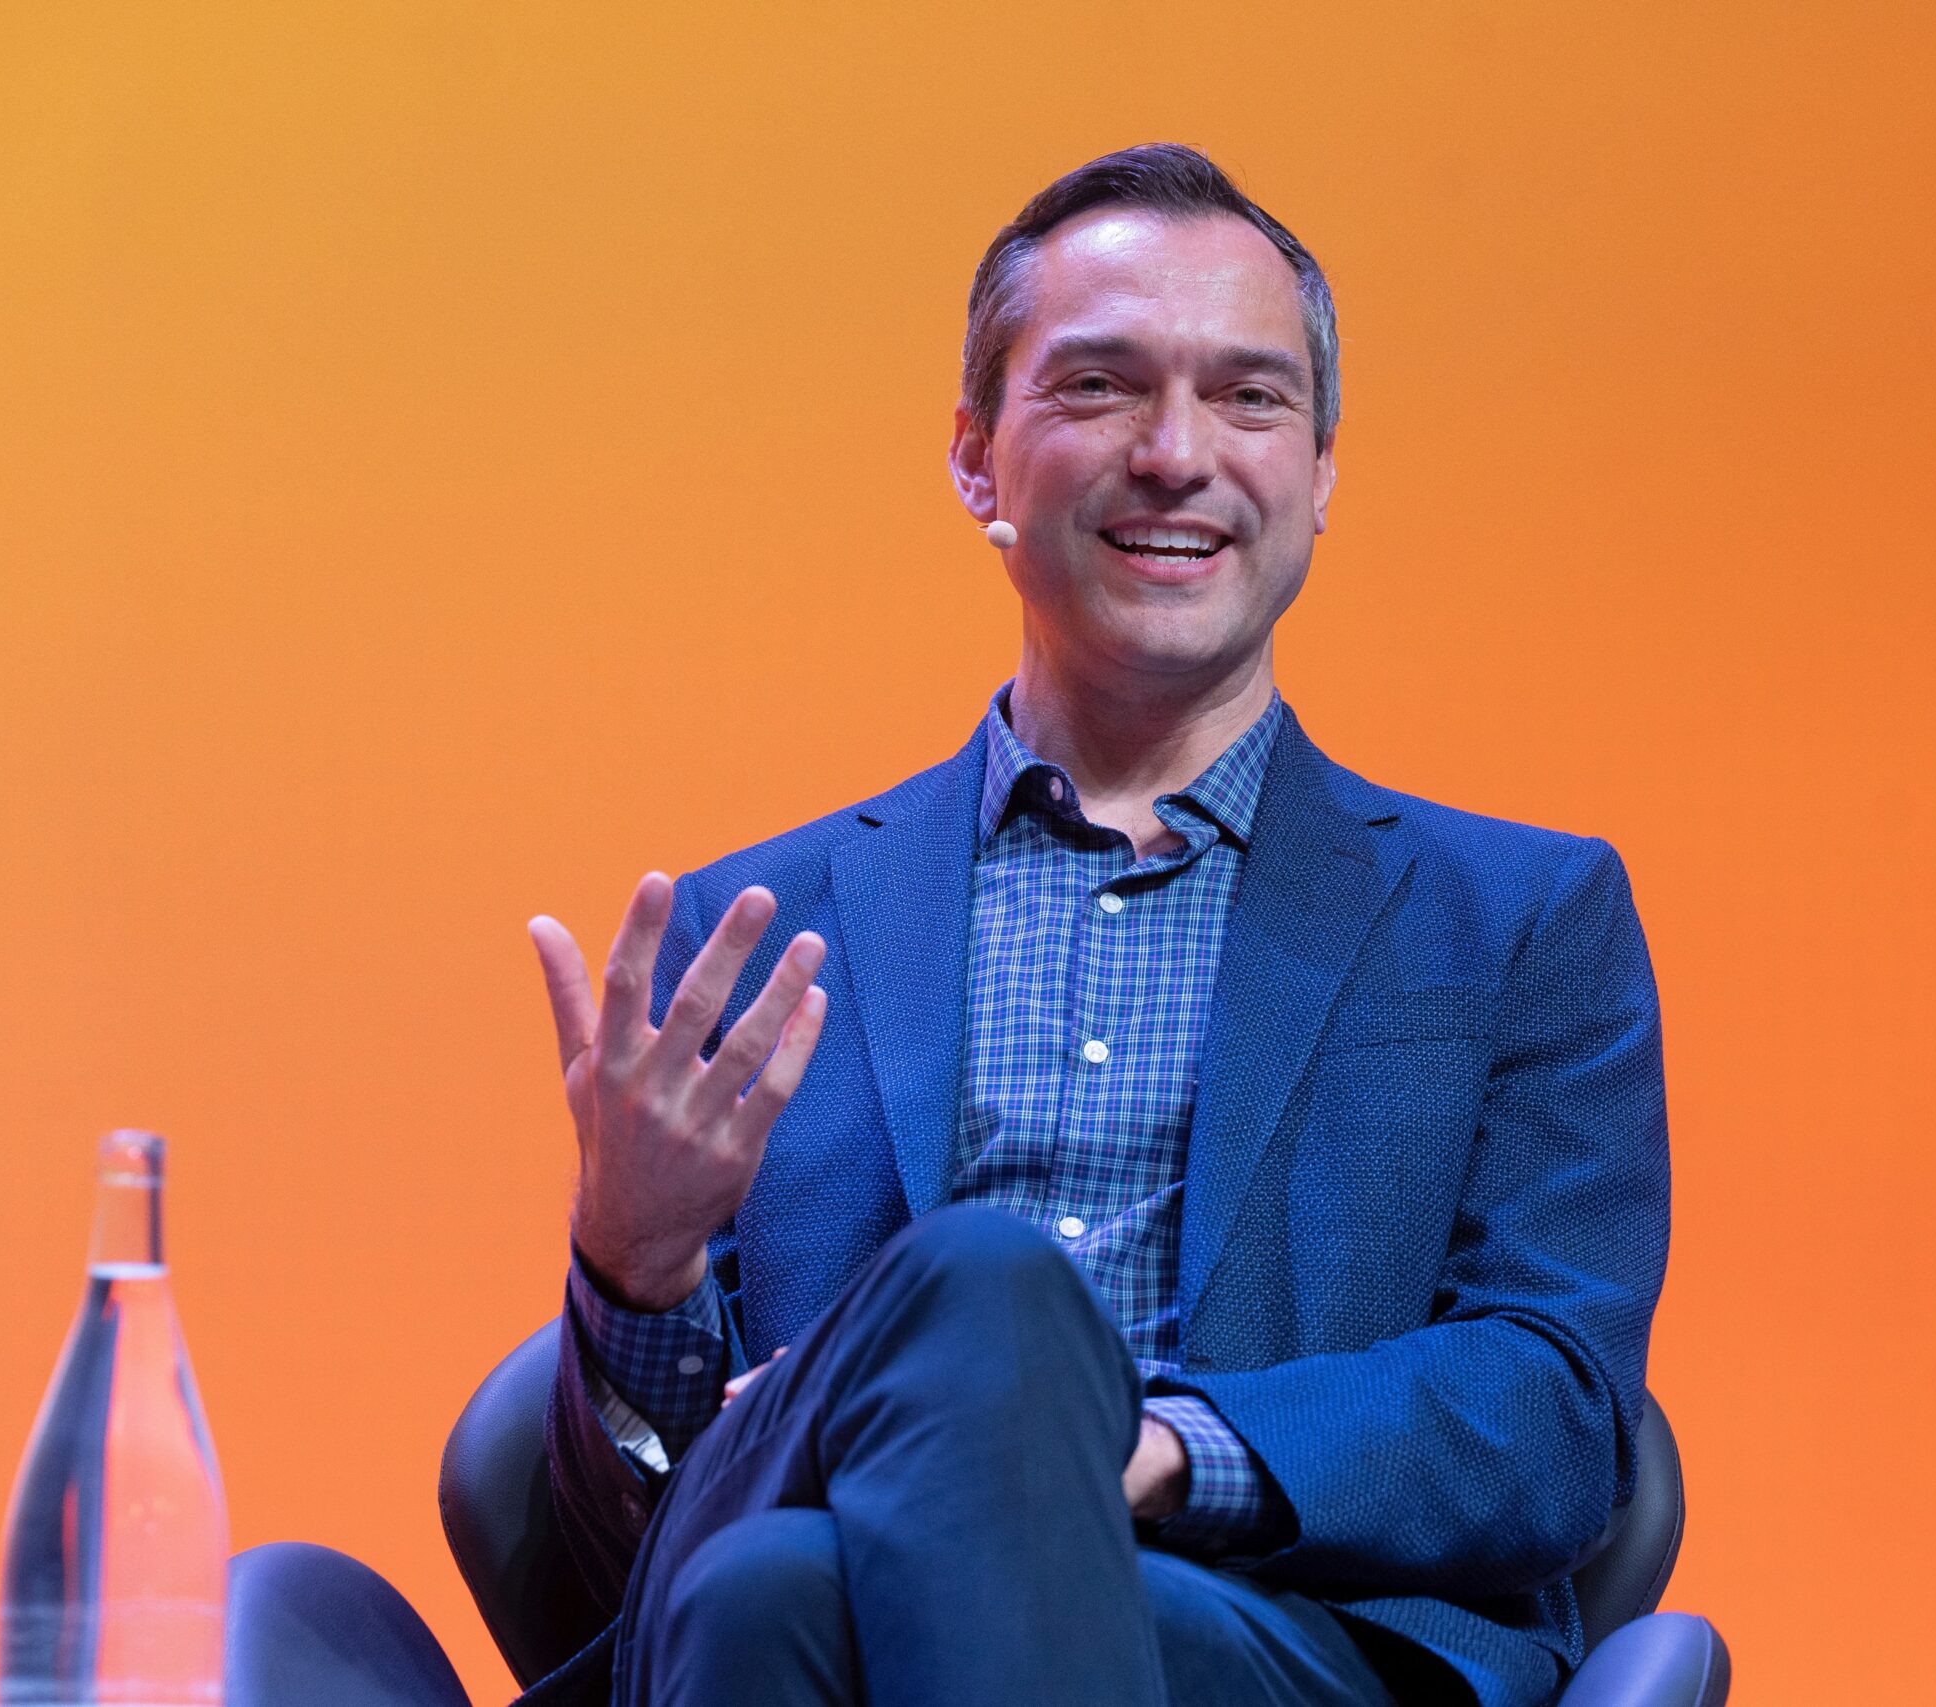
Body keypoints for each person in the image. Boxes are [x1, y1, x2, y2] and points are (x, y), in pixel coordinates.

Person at [519, 143, 1670, 1707]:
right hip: (790, 1602)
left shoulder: (1522, 920)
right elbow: (624, 1549)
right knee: (773, 1577)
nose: (1176, 454)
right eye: (1101, 388)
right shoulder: (760, 931)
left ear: (1322, 472)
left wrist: (1138, 1446)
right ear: (977, 459)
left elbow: (1553, 1415)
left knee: (947, 1337)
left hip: (1277, 1637)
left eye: (1249, 398)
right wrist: (634, 1267)